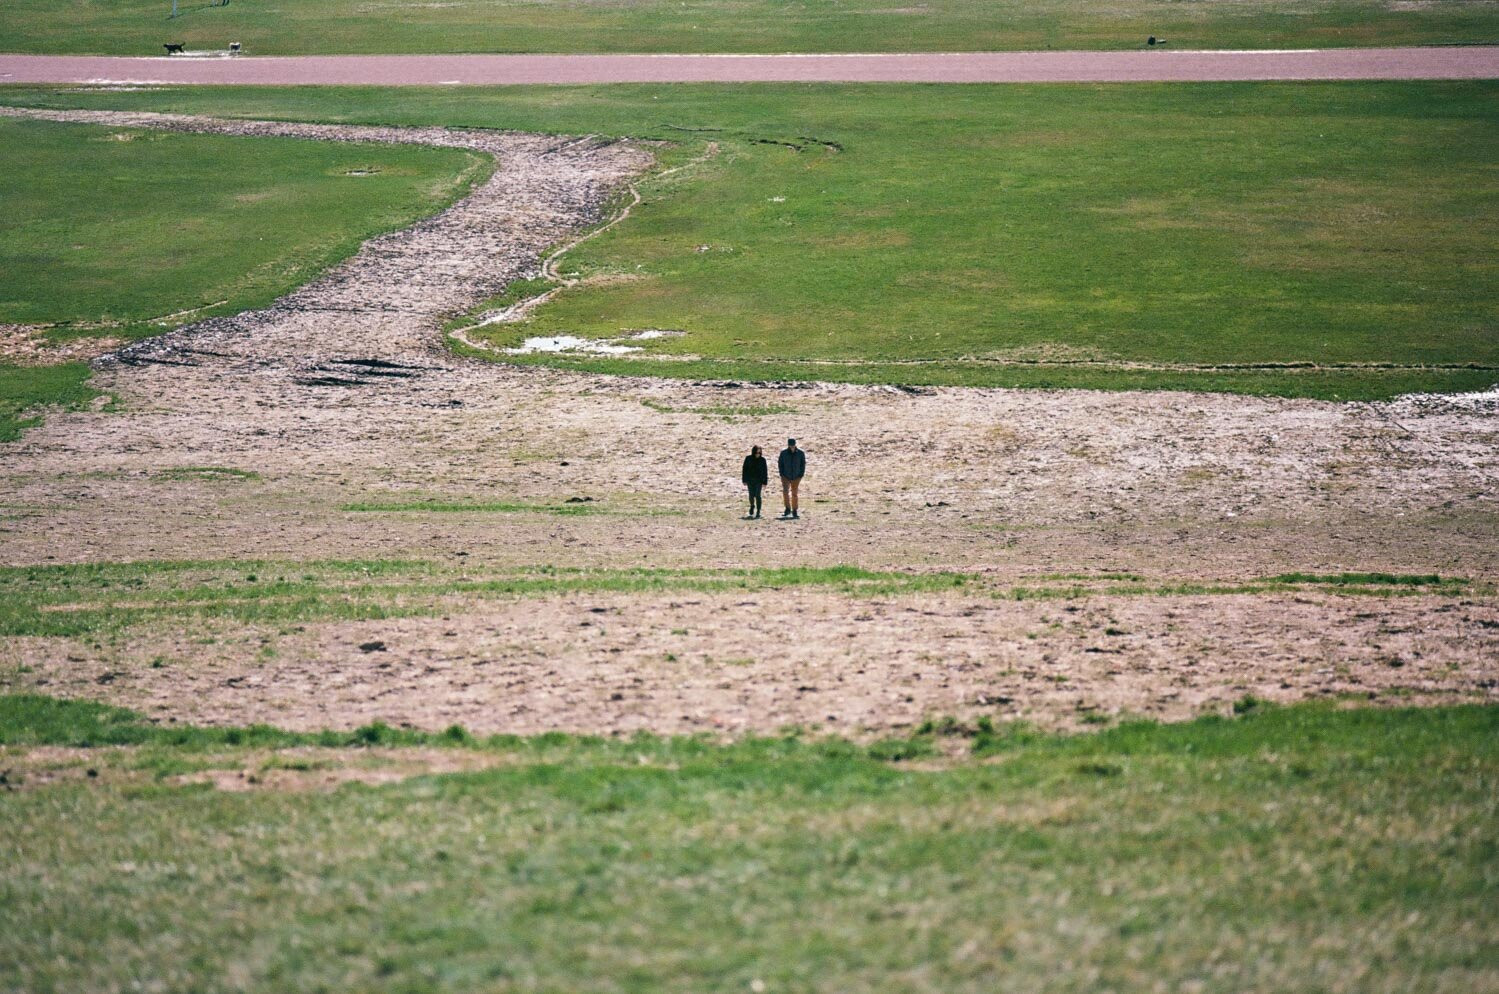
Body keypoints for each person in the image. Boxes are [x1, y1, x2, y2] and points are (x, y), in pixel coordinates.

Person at [777, 438, 806, 520]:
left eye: (793, 446)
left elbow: (803, 464)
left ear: (795, 445)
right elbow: (780, 463)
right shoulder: (783, 453)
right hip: (785, 476)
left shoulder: (800, 453)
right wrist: (782, 474)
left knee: (794, 493)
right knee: (785, 492)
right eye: (790, 446)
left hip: (796, 476)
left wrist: (801, 474)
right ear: (788, 445)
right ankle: (787, 509)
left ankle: (795, 510)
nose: (792, 447)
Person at [741, 445, 768, 519]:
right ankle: (752, 506)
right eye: (757, 452)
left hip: (759, 481)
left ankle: (758, 511)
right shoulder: (748, 458)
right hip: (750, 480)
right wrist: (744, 480)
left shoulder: (763, 460)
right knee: (751, 495)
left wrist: (765, 482)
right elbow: (744, 469)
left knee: (758, 495)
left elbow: (765, 471)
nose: (758, 454)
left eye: (759, 452)